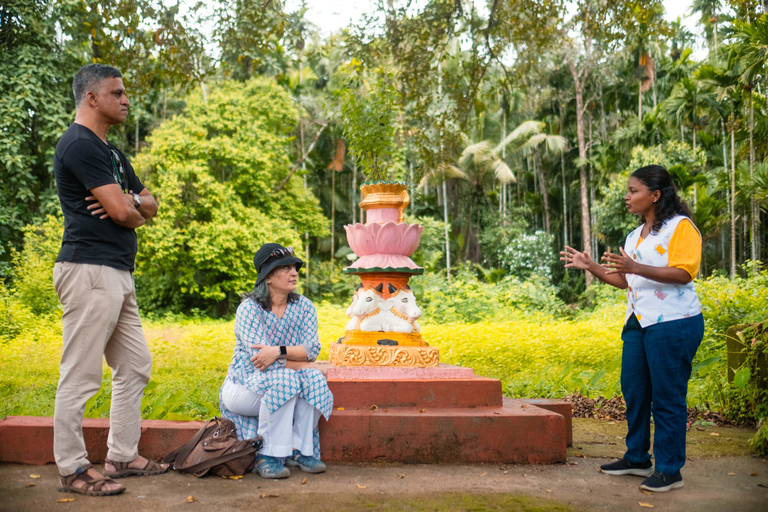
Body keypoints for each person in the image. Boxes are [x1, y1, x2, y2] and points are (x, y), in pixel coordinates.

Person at [53, 64, 165, 496]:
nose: (126, 100)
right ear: (91, 98)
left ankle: (121, 455)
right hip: (89, 270)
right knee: (81, 374)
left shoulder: (112, 153)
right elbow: (123, 215)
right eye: (117, 93)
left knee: (135, 365)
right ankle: (72, 468)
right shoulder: (78, 144)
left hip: (117, 272)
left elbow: (146, 204)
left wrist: (131, 200)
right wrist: (129, 208)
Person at [560, 165, 704, 493]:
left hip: (674, 323)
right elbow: (626, 280)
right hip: (638, 323)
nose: (627, 196)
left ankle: (670, 470)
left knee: (667, 397)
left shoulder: (680, 228)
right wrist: (592, 266)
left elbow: (684, 273)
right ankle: (637, 457)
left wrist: (636, 266)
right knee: (636, 392)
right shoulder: (634, 235)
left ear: (655, 195)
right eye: (628, 190)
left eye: (633, 191)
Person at [220, 243, 333, 479]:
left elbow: (311, 349)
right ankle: (267, 455)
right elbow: (261, 361)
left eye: (295, 267)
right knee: (289, 378)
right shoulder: (249, 309)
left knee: (314, 378)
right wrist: (301, 360)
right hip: (243, 388)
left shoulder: (304, 307)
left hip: (281, 380)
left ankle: (299, 451)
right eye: (286, 268)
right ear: (268, 277)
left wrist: (280, 351)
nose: (294, 272)